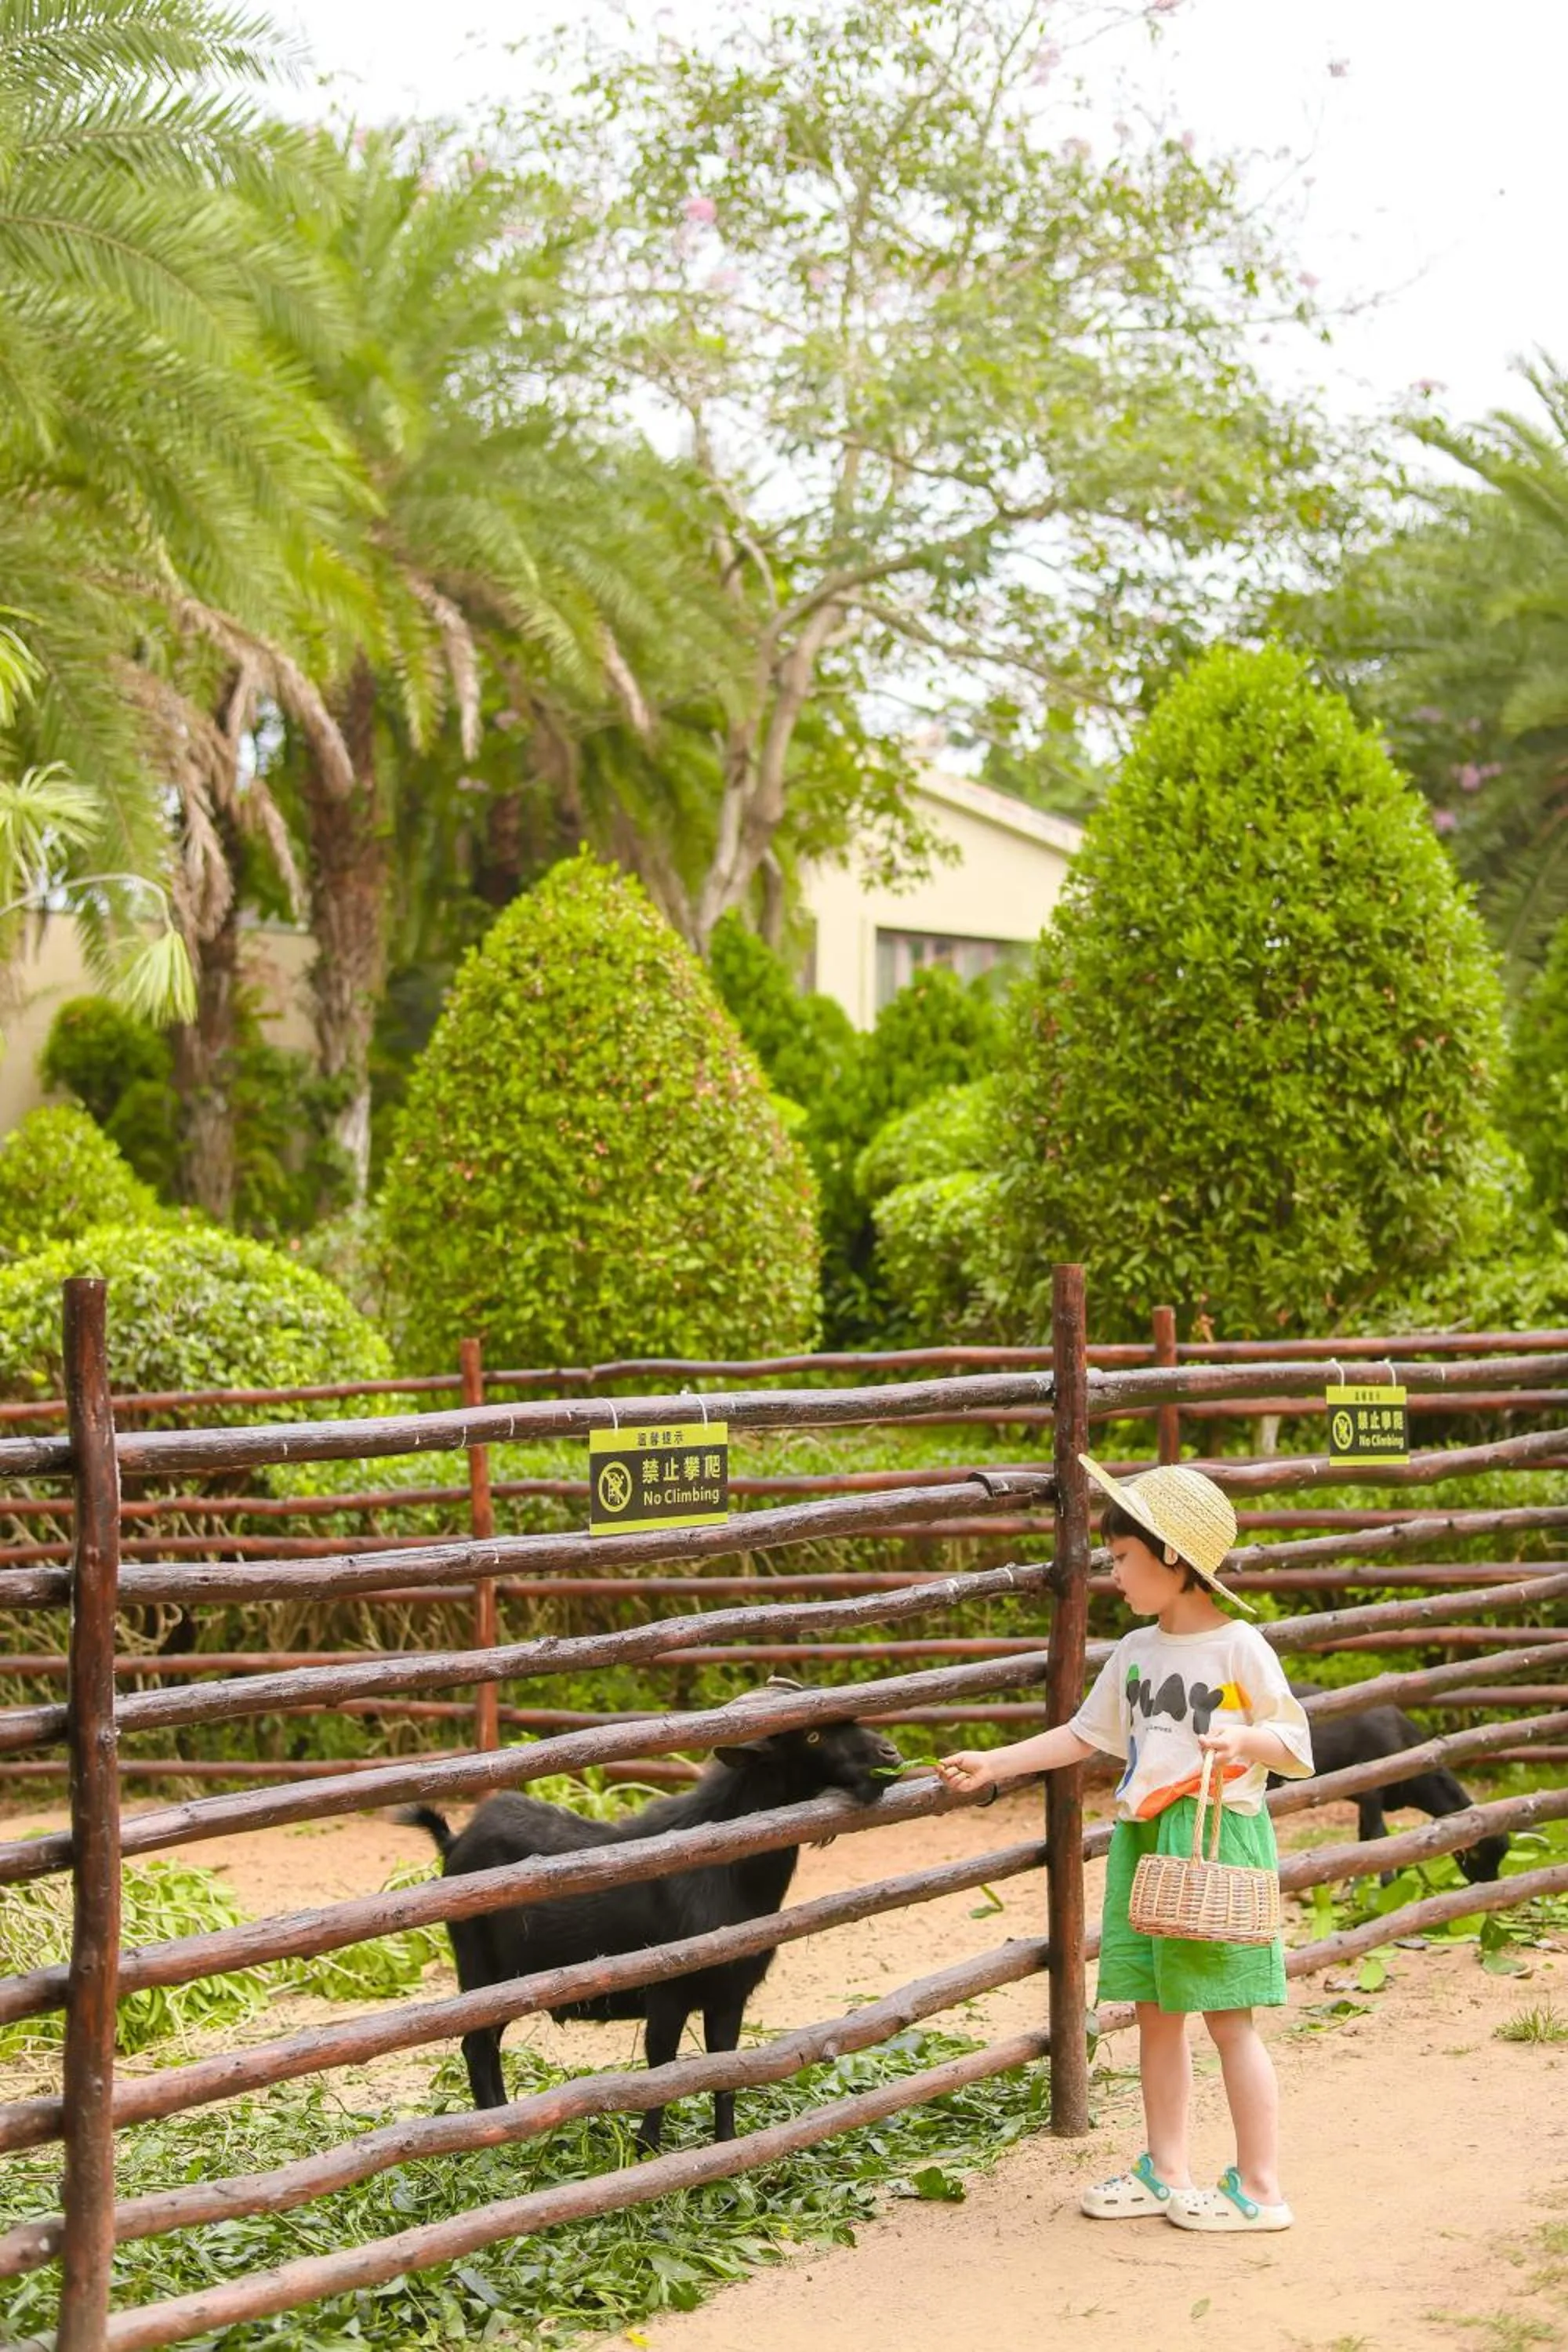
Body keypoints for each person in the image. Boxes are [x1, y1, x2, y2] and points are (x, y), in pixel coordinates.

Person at [937, 1455, 1313, 2231]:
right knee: (1151, 2010)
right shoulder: (1137, 1653)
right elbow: (1083, 1735)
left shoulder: (1239, 1647)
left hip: (1213, 1844)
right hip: (1143, 1841)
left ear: (1172, 1558)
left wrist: (1242, 1736)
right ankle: (1167, 2169)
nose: (1113, 1575)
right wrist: (995, 1763)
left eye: (1123, 1560)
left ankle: (1260, 2188)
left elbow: (1293, 1744)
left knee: (1228, 2018)